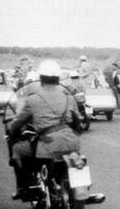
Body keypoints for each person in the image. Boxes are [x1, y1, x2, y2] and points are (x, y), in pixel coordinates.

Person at [8, 60, 81, 200]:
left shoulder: (33, 100)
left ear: (41, 79)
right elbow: (76, 119)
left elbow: (18, 122)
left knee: (17, 148)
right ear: (58, 79)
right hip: (72, 142)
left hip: (48, 144)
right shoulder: (68, 97)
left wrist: (12, 130)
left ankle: (23, 187)